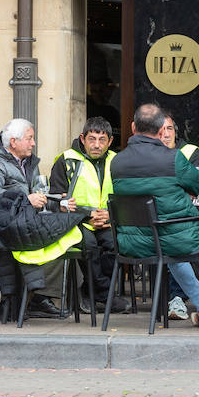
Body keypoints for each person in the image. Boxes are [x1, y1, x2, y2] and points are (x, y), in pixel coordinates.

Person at [110, 104, 199, 327]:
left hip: (132, 242)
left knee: (171, 249)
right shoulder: (174, 158)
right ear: (162, 130)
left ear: (133, 127)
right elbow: (196, 183)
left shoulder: (116, 162)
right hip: (173, 237)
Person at [0, 118, 66, 319]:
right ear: (13, 142)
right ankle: (25, 298)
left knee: (67, 232)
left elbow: (36, 196)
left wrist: (56, 203)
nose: (33, 143)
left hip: (21, 223)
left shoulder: (28, 162)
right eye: (30, 138)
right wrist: (25, 199)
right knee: (28, 237)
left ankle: (34, 296)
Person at [49, 116, 129, 311]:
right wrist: (87, 214)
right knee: (90, 246)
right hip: (75, 221)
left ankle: (89, 292)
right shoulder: (66, 160)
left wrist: (111, 215)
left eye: (102, 140)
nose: (96, 145)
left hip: (107, 221)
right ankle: (104, 294)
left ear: (110, 141)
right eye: (92, 139)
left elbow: (127, 198)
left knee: (114, 244)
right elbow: (54, 200)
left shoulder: (117, 162)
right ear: (82, 138)